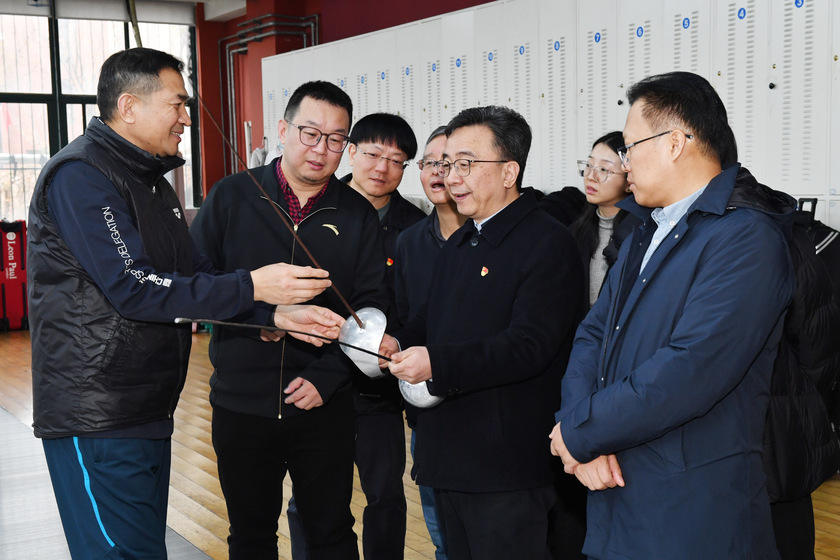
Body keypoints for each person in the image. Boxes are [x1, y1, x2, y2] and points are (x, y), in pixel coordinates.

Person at [27, 48, 341, 560]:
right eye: (177, 104)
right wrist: (255, 286)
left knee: (145, 549)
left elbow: (193, 276)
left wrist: (274, 315)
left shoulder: (151, 183)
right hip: (98, 412)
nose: (187, 118)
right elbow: (134, 286)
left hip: (146, 406)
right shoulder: (82, 176)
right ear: (129, 107)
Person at [550, 71, 795, 559]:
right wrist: (581, 430)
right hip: (616, 494)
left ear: (676, 143)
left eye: (630, 147)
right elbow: (593, 334)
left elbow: (692, 367)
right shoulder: (646, 229)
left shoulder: (746, 238)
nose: (624, 162)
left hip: (691, 512)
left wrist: (583, 432)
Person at [190, 80, 388, 560]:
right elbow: (196, 286)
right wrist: (265, 315)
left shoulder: (358, 214)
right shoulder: (232, 196)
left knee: (331, 532)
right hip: (241, 401)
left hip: (324, 405)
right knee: (250, 535)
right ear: (283, 130)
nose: (321, 150)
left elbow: (373, 307)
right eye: (310, 133)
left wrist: (329, 376)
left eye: (336, 139)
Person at [381, 105, 585, 559]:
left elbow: (528, 346)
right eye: (446, 164)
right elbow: (430, 320)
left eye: (465, 164)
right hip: (449, 456)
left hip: (506, 466)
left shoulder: (548, 243)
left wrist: (437, 362)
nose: (451, 177)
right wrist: (395, 341)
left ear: (509, 171)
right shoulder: (462, 241)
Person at [393, 125, 467, 560]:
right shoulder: (409, 242)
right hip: (428, 409)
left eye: (451, 162)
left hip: (482, 407)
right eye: (430, 162)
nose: (439, 172)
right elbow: (409, 320)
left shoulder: (489, 239)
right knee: (442, 536)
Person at [569, 131, 641, 308]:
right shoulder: (575, 232)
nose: (590, 176)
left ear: (629, 180)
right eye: (589, 165)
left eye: (603, 169)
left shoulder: (639, 234)